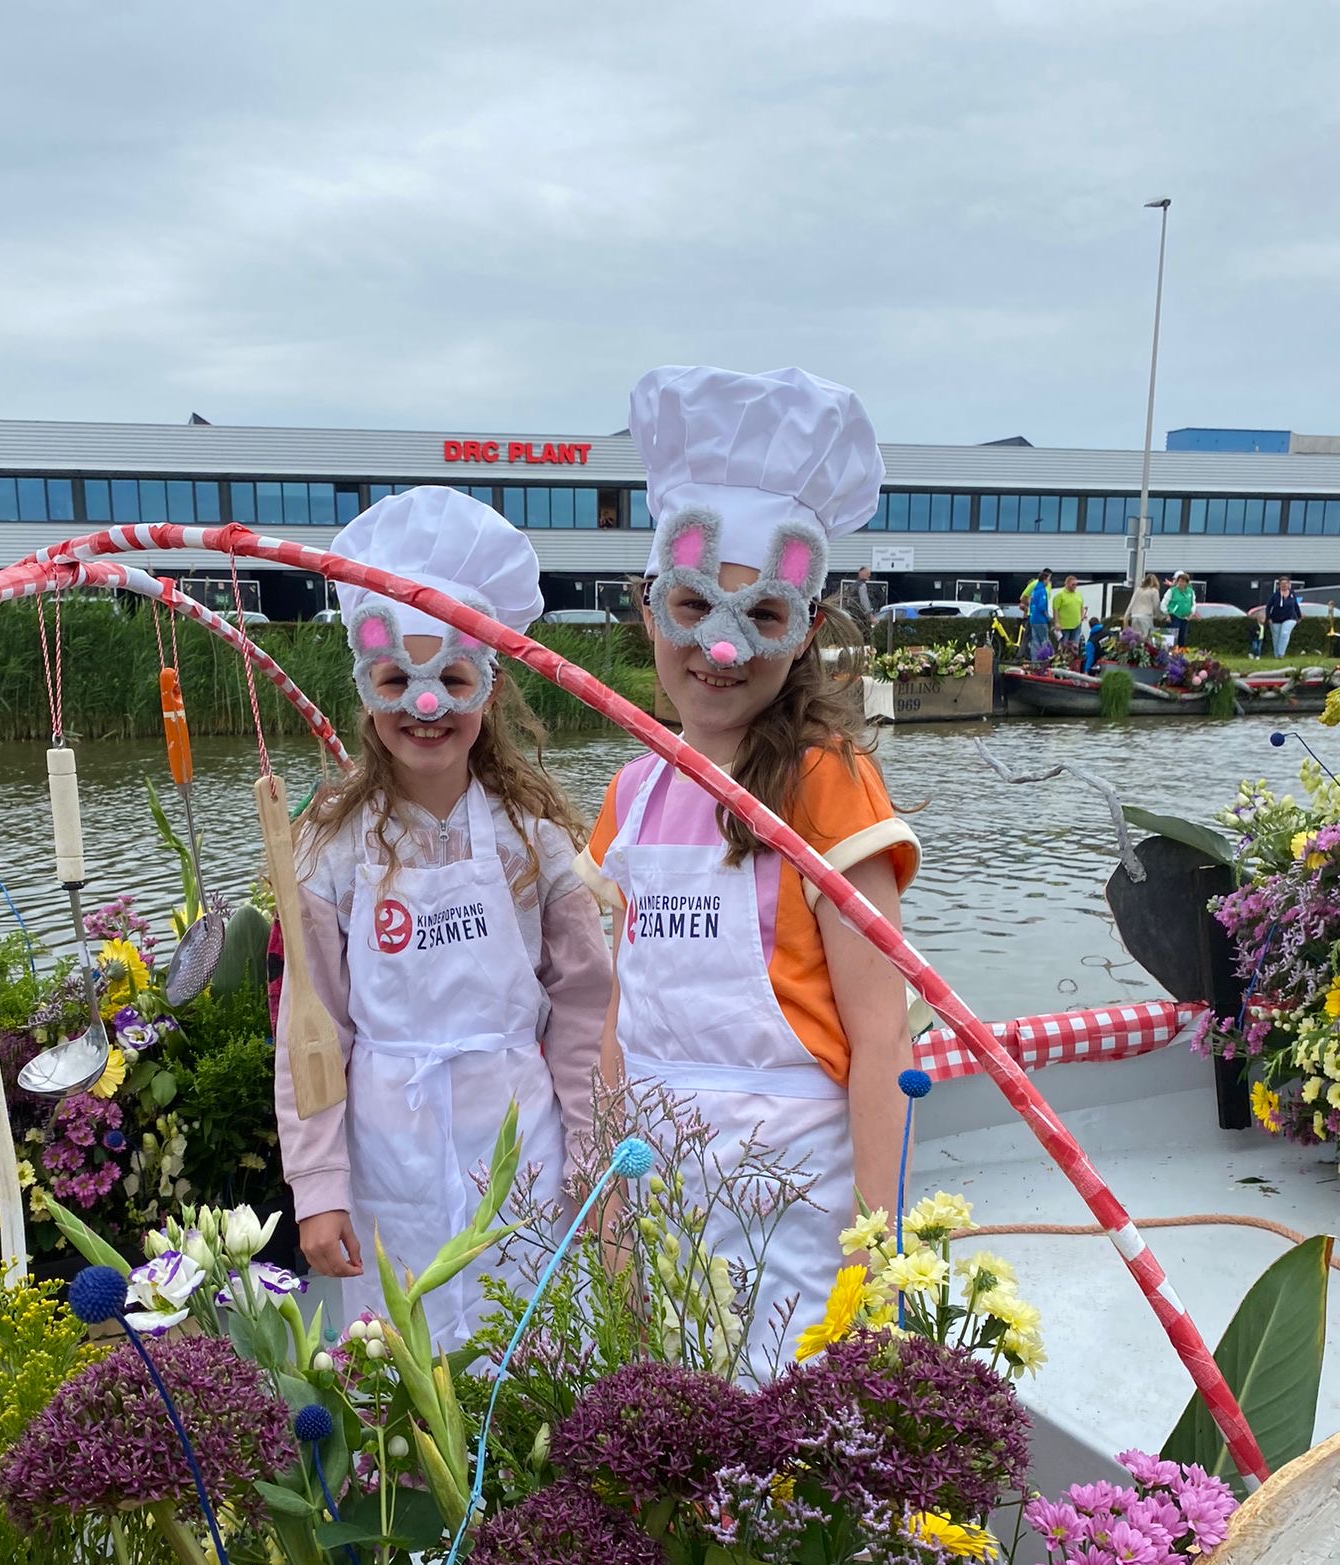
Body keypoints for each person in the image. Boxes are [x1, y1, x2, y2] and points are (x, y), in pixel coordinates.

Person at [585, 365, 920, 1373]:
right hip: (662, 1191)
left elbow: (880, 1035)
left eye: (763, 616)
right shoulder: (630, 796)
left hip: (796, 1209)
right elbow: (616, 1026)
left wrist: (875, 1258)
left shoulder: (830, 783)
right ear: (652, 608)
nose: (722, 648)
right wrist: (610, 1218)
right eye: (694, 605)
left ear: (807, 626)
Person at [274, 485, 611, 1343]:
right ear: (369, 686)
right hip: (388, 1149)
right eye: (399, 681)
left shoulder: (533, 838)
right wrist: (319, 1190)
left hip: (520, 1138)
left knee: (531, 1346)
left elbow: (582, 1005)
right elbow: (312, 1032)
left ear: (486, 692)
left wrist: (587, 1150)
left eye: (453, 681)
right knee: (403, 1361)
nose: (428, 708)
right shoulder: (330, 848)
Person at [1265, 577, 1303, 659]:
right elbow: (1268, 607)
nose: (1284, 585)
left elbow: (1295, 605)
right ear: (1279, 585)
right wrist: (1268, 618)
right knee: (1276, 637)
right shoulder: (1275, 596)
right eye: (1282, 584)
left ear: (1289, 584)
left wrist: (1299, 616)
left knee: (1284, 633)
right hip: (1275, 619)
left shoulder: (1292, 594)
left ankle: (1281, 654)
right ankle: (1276, 656)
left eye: (1286, 583)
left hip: (1290, 617)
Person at [1051, 574, 1086, 663]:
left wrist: (1082, 615)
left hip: (1076, 625)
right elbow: (1055, 609)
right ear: (1066, 584)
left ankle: (1074, 663)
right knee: (1064, 646)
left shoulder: (1079, 595)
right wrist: (1056, 622)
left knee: (1075, 646)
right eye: (1073, 584)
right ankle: (1062, 662)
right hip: (1064, 625)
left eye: (1076, 584)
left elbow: (1081, 606)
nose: (1075, 586)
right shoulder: (1060, 595)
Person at [843, 565, 878, 637]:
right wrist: (870, 615)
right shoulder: (862, 586)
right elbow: (864, 602)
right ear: (863, 574)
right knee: (864, 636)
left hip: (852, 616)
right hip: (861, 617)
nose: (870, 575)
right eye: (868, 573)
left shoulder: (853, 586)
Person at [1026, 570, 1053, 662]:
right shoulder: (1042, 591)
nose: (1049, 582)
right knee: (1044, 640)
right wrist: (1048, 617)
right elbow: (1042, 607)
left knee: (1035, 641)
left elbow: (1031, 603)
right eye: (1048, 579)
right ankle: (1045, 659)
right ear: (1044, 580)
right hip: (1041, 620)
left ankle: (1035, 660)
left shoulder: (1034, 590)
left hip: (1033, 619)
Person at [1163, 571, 1196, 647]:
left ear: (1187, 583)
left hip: (1185, 618)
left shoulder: (1190, 592)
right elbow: (1164, 603)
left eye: (1183, 582)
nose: (1181, 583)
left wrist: (1191, 613)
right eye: (1180, 581)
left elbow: (1193, 603)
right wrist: (1167, 615)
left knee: (1182, 638)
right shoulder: (1172, 591)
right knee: (1173, 638)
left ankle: (1180, 655)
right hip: (1174, 617)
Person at [1124, 572, 1160, 636]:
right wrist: (1158, 616)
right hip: (1146, 616)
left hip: (1135, 616)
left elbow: (1131, 603)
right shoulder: (1154, 591)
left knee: (1136, 637)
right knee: (1146, 637)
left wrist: (1126, 616)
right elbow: (1156, 605)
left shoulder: (1138, 590)